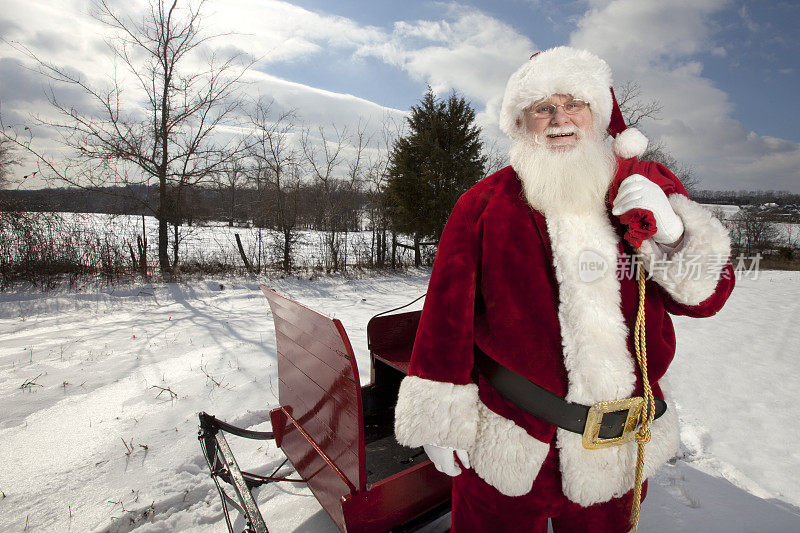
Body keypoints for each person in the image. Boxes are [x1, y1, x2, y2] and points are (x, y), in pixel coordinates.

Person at [394, 46, 735, 532]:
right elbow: (447, 317)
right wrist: (439, 421)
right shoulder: (483, 204)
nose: (559, 120)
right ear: (520, 122)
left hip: (616, 450)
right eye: (542, 109)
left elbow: (710, 298)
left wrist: (674, 235)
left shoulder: (645, 187)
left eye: (573, 104)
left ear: (597, 114)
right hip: (511, 439)